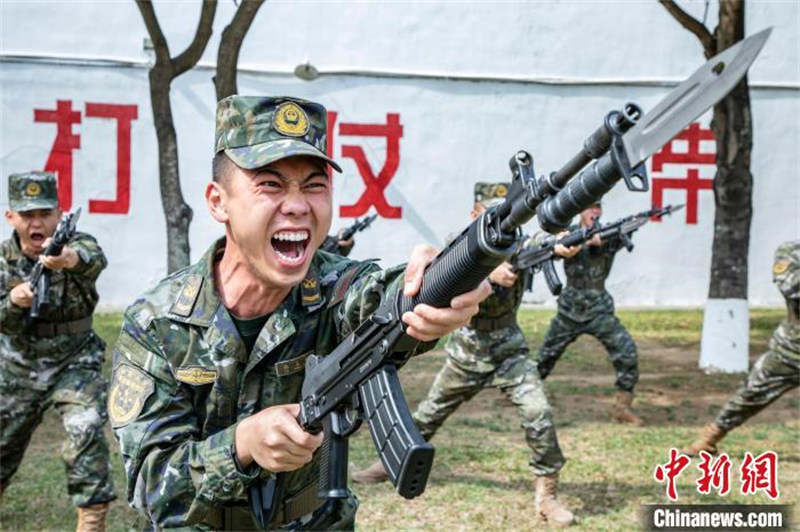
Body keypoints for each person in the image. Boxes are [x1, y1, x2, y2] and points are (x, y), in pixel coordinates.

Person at [108, 95, 489, 531]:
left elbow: (382, 296)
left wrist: (440, 280)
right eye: (270, 185)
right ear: (218, 202)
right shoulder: (157, 323)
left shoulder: (335, 288)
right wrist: (241, 444)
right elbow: (151, 484)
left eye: (314, 186)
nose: (297, 205)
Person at [352, 182, 580, 527]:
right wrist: (488, 269)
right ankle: (387, 465)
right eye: (491, 210)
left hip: (508, 350)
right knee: (428, 414)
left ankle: (546, 495)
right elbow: (444, 271)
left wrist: (563, 244)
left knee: (539, 413)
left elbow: (543, 244)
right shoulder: (459, 243)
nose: (503, 218)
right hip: (467, 352)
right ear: (475, 213)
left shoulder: (517, 243)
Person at [0, 171, 115, 531]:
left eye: (45, 213)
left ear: (59, 213)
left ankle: (91, 520)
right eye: (27, 214)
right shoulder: (2, 259)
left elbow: (94, 259)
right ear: (11, 217)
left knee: (86, 428)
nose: (37, 223)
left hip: (75, 359)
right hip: (19, 363)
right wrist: (13, 302)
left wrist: (68, 259)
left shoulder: (76, 244)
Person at [682, 240, 799, 456]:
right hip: (791, 351)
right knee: (752, 392)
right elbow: (790, 288)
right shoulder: (791, 251)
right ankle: (710, 438)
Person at [536, 202, 643, 425]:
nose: (594, 211)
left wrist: (630, 224)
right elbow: (552, 249)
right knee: (546, 354)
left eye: (598, 207)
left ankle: (622, 407)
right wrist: (582, 241)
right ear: (581, 211)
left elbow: (628, 229)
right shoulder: (569, 234)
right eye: (590, 206)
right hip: (570, 309)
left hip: (599, 309)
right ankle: (526, 392)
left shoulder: (610, 233)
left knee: (626, 352)